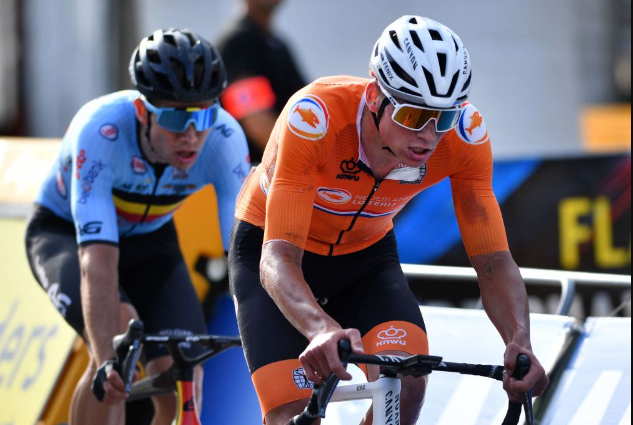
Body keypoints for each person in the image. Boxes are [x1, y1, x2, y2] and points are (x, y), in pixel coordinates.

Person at [229, 15, 549, 425]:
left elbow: (493, 262)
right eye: (414, 116)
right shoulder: (315, 118)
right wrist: (320, 327)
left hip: (364, 256)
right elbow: (277, 258)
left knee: (407, 382)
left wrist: (520, 342)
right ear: (375, 96)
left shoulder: (464, 136)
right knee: (291, 413)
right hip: (276, 250)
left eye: (443, 117)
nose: (428, 136)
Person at [25, 29, 250, 425]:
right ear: (143, 112)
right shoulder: (101, 131)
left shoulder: (224, 139)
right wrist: (106, 361)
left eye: (204, 115)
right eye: (175, 117)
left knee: (184, 367)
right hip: (65, 234)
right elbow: (97, 263)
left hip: (151, 239)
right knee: (116, 345)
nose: (191, 135)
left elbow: (243, 254)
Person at [217, 0, 307, 164]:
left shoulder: (278, 44)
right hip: (255, 172)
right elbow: (253, 116)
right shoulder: (238, 42)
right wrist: (304, 160)